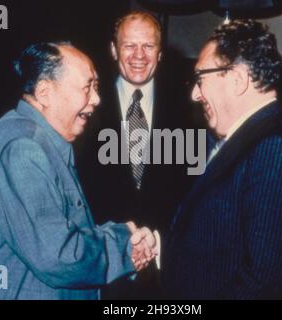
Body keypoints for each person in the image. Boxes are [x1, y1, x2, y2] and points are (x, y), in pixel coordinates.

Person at [0, 41, 158, 300]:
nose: (96, 99)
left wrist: (121, 239)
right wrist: (123, 244)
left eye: (96, 87)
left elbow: (61, 229)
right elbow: (58, 255)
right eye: (87, 88)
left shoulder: (35, 137)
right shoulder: (23, 148)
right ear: (44, 93)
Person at [162, 19, 282, 299]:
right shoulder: (248, 138)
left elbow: (262, 284)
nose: (194, 94)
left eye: (200, 79)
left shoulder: (276, 148)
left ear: (237, 80)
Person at [75, 11, 196, 298]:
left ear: (161, 53)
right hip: (101, 267)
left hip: (166, 268)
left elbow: (192, 188)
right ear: (114, 50)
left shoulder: (189, 108)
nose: (138, 55)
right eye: (129, 45)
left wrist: (157, 244)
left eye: (148, 46)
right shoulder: (86, 107)